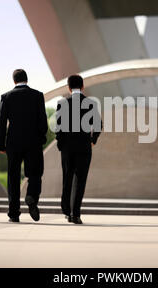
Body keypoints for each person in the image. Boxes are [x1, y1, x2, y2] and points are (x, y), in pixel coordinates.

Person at [0, 69, 48, 223]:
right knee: (35, 173)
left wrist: (1, 144)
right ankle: (31, 195)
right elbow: (43, 121)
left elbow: (1, 123)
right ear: (27, 79)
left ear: (14, 81)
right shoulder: (38, 96)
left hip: (13, 142)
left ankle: (14, 213)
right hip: (33, 142)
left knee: (13, 177)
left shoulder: (6, 97)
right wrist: (41, 138)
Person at [55, 75, 102, 224]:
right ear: (82, 87)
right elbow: (99, 125)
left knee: (67, 178)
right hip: (84, 147)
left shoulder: (62, 103)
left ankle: (66, 210)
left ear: (69, 88)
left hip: (67, 149)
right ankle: (75, 214)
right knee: (80, 180)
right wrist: (92, 140)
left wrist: (60, 143)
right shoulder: (90, 103)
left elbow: (58, 127)